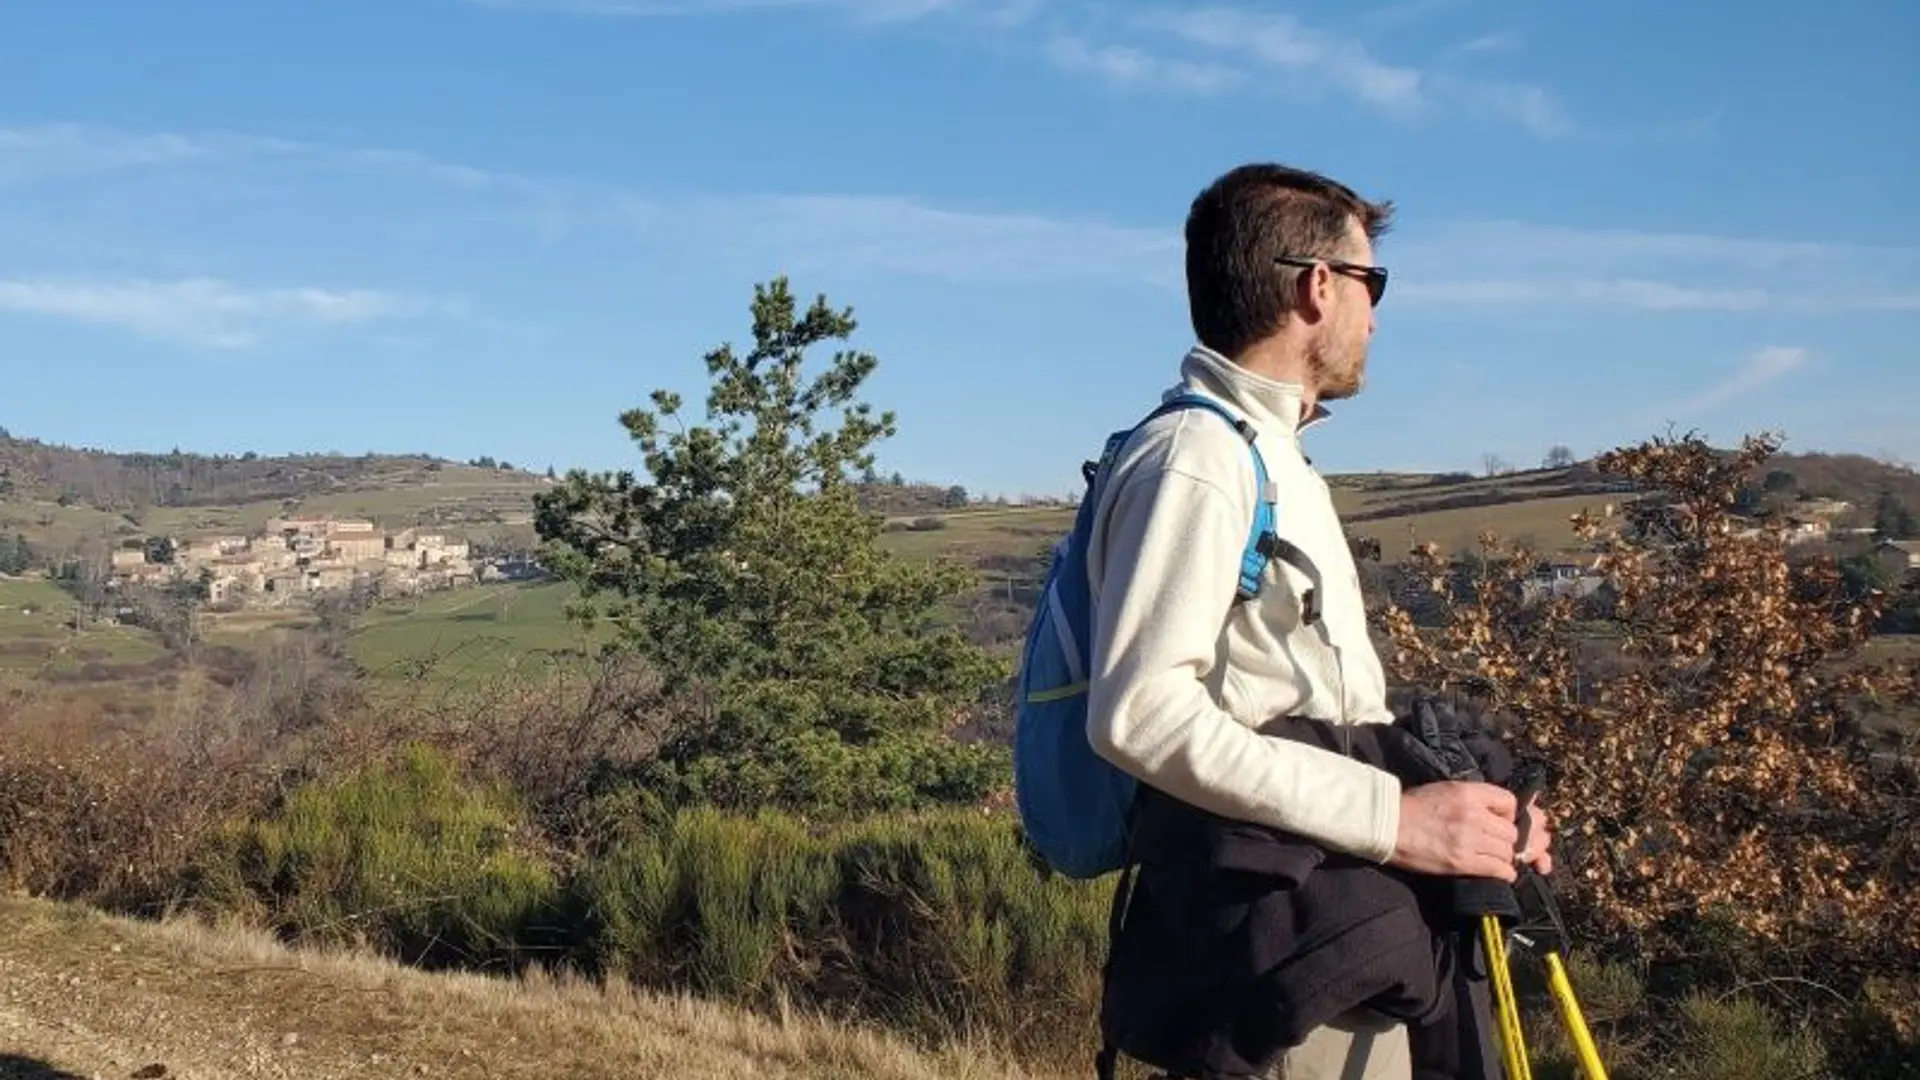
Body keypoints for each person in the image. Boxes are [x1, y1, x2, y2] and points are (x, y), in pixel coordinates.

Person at [1084, 162, 1554, 1079]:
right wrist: (1398, 820)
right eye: (1373, 284)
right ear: (1318, 286)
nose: (1377, 316)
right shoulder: (1200, 460)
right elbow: (1139, 714)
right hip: (1276, 960)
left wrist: (1466, 817)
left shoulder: (1269, 456)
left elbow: (1306, 700)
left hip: (1316, 936)